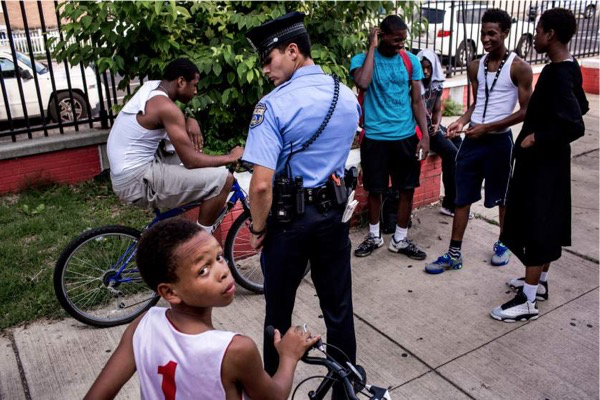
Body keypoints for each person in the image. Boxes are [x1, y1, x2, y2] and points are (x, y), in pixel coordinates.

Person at [243, 11, 360, 399]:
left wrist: (258, 230)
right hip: (332, 215)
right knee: (339, 307)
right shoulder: (343, 94)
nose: (264, 69)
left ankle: (273, 389)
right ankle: (345, 389)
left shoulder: (271, 106)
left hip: (289, 222)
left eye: (269, 59)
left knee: (277, 312)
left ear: (293, 51)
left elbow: (261, 187)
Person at [84, 219, 319, 399]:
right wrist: (288, 356)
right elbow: (275, 396)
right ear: (169, 292)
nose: (223, 271)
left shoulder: (142, 326)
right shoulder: (235, 349)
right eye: (203, 270)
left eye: (218, 257)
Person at [491, 8, 588, 322]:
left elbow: (575, 124)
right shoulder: (568, 66)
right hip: (550, 163)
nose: (534, 36)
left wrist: (537, 138)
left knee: (536, 226)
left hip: (543, 166)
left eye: (539, 30)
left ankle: (528, 301)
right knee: (545, 223)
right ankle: (540, 283)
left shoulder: (557, 73)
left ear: (551, 35)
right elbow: (581, 105)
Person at [425, 9, 533, 274]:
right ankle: (454, 254)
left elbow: (525, 111)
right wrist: (461, 121)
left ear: (506, 33)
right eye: (483, 32)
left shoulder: (519, 67)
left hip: (499, 143)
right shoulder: (475, 65)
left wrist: (488, 128)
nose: (485, 38)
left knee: (502, 198)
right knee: (462, 197)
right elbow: (477, 103)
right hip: (473, 140)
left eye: (492, 34)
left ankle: (503, 243)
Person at [106, 58, 244, 232]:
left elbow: (160, 118)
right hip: (136, 181)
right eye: (194, 85)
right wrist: (231, 158)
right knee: (224, 179)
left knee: (190, 155)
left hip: (125, 173)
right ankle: (200, 243)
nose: (195, 91)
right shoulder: (167, 109)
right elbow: (191, 161)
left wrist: (188, 119)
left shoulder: (152, 88)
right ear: (180, 81)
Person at [350, 15, 430, 260]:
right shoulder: (361, 60)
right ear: (381, 35)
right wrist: (372, 47)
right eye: (396, 40)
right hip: (375, 136)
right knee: (375, 190)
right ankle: (374, 236)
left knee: (406, 189)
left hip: (405, 136)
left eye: (403, 41)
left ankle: (400, 239)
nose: (400, 45)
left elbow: (417, 100)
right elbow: (363, 83)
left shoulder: (410, 61)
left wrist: (425, 136)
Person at [416, 49, 470, 219]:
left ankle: (458, 201)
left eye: (428, 68)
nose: (425, 72)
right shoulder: (415, 84)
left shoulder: (436, 85)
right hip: (419, 130)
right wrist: (431, 128)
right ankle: (450, 204)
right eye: (422, 68)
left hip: (432, 128)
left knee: (459, 143)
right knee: (452, 154)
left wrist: (437, 123)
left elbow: (437, 110)